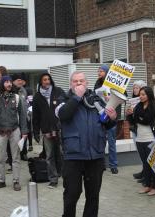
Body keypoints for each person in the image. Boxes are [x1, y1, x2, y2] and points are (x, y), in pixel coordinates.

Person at [57, 71, 117, 217]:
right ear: (71, 84)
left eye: (81, 81)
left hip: (95, 155)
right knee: (72, 194)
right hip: (73, 156)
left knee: (93, 195)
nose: (79, 83)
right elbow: (63, 115)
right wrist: (77, 97)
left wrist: (112, 118)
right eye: (75, 81)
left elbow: (106, 124)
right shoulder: (63, 99)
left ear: (87, 83)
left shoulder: (97, 99)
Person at [126, 86, 155, 196]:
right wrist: (129, 115)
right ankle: (147, 185)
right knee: (145, 164)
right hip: (140, 138)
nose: (141, 96)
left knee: (153, 163)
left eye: (143, 94)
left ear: (149, 95)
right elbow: (133, 122)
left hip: (151, 139)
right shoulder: (138, 106)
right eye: (140, 94)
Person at [0, 75, 28, 191]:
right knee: (0, 158)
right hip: (0, 133)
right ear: (2, 84)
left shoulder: (17, 98)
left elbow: (22, 115)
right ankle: (1, 180)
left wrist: (24, 132)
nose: (9, 84)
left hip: (15, 131)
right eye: (6, 82)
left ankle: (16, 181)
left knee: (16, 158)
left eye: (10, 82)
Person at [32, 72, 65, 188]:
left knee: (61, 153)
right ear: (41, 82)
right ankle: (53, 179)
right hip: (46, 130)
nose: (46, 81)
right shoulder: (37, 96)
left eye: (48, 79)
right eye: (44, 80)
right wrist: (35, 132)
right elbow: (35, 116)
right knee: (49, 155)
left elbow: (66, 106)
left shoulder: (58, 91)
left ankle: (65, 175)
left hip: (59, 128)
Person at [94, 65, 119, 174]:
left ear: (107, 72)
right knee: (101, 142)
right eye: (98, 71)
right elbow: (94, 98)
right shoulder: (97, 83)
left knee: (112, 143)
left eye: (101, 71)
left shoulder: (114, 84)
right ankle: (101, 164)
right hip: (101, 115)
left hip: (111, 116)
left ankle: (113, 165)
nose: (99, 73)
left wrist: (111, 98)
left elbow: (121, 96)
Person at [129, 80, 147, 182]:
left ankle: (147, 174)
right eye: (134, 88)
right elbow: (130, 118)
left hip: (143, 130)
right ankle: (144, 170)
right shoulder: (132, 100)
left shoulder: (145, 102)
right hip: (134, 128)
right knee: (139, 152)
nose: (134, 89)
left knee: (144, 153)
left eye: (137, 88)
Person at [12, 73, 28, 161]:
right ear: (13, 81)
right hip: (14, 118)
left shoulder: (23, 90)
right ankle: (12, 155)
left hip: (23, 116)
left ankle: (24, 153)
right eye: (18, 80)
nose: (20, 81)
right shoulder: (11, 91)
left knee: (24, 134)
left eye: (21, 80)